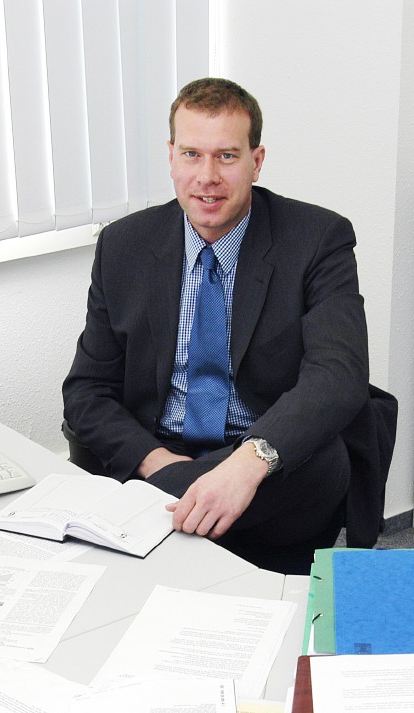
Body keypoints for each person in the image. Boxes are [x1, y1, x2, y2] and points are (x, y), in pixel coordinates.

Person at [62, 77, 372, 571]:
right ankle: (180, 512)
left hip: (266, 457)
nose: (207, 176)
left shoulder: (318, 239)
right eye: (192, 155)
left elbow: (338, 376)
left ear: (257, 160)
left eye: (227, 156)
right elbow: (86, 391)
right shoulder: (124, 246)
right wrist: (158, 463)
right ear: (171, 157)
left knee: (324, 458)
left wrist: (245, 466)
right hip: (163, 453)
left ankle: (151, 521)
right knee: (152, 480)